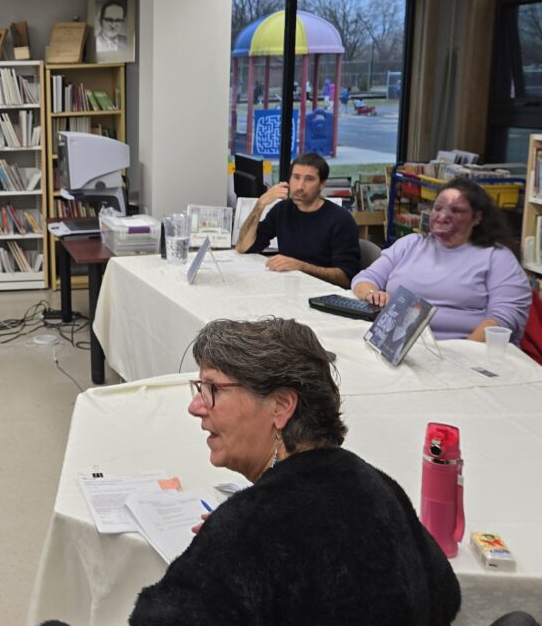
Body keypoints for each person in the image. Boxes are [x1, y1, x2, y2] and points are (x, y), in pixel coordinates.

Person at [42, 318, 461, 626]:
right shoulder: (376, 484)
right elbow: (445, 593)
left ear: (280, 406)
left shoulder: (246, 531)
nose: (195, 406)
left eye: (213, 389)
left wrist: (234, 540)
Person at [352, 177, 531, 341]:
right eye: (438, 208)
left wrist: (461, 357)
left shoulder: (497, 257)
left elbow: (501, 320)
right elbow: (365, 279)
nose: (442, 217)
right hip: (393, 343)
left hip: (461, 352)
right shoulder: (410, 244)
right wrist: (372, 294)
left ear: (477, 218)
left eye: (456, 210)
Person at [235, 152, 360, 288]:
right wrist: (260, 204)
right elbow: (243, 247)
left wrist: (301, 266)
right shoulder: (283, 210)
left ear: (322, 184)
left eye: (309, 179)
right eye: (296, 177)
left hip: (322, 294)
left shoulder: (341, 220)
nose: (300, 186)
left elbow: (346, 278)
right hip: (290, 287)